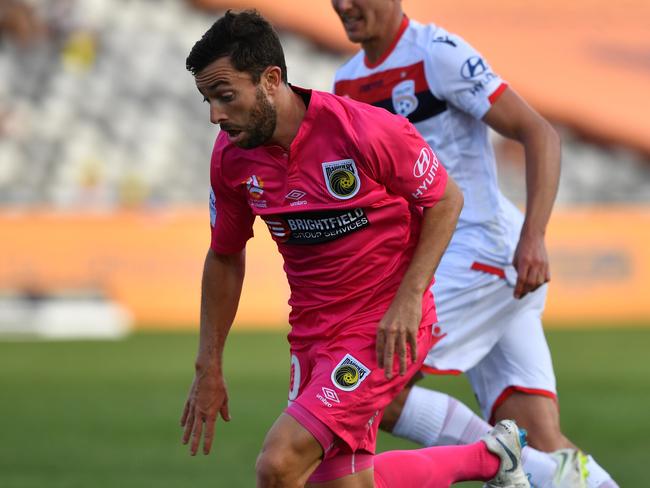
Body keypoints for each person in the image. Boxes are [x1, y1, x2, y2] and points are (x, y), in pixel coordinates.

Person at [179, 9, 532, 488]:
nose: (216, 115)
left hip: (382, 327)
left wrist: (410, 298)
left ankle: (498, 458)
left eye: (225, 97)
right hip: (311, 336)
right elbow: (224, 255)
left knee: (279, 465)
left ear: (270, 80)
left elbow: (446, 199)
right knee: (341, 484)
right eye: (208, 100)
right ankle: (491, 458)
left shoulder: (362, 130)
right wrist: (208, 365)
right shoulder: (232, 159)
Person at [331, 1, 618, 487]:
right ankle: (531, 464)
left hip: (483, 251)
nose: (342, 4)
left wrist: (535, 237)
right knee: (540, 438)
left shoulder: (435, 54)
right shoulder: (347, 84)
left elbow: (539, 133)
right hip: (453, 260)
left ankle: (502, 461)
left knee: (370, 380)